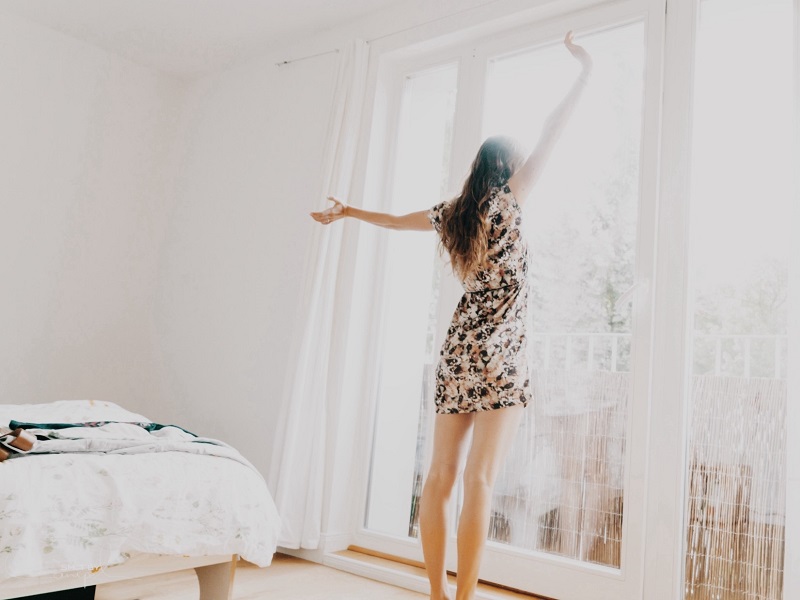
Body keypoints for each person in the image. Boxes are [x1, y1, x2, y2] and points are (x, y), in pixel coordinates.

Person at [311, 30, 592, 600]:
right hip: (502, 353)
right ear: (509, 167)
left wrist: (348, 212)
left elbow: (394, 221)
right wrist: (583, 72)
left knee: (440, 477)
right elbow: (553, 131)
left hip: (459, 348)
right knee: (480, 481)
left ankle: (438, 594)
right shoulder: (510, 200)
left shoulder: (452, 214)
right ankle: (464, 598)